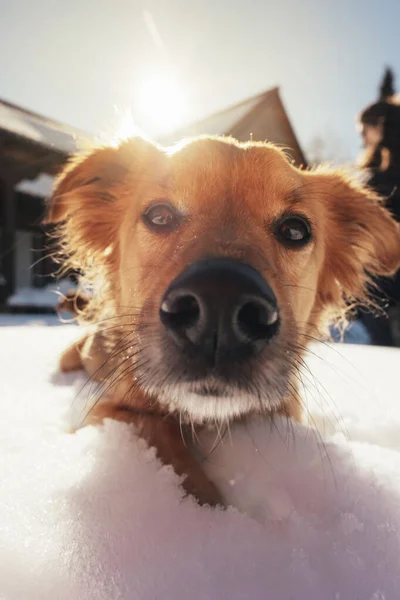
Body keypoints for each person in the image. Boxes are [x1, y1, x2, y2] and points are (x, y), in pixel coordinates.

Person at [357, 67, 400, 346]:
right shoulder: (376, 173)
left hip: (385, 293)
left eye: (364, 129)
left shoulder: (383, 178)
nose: (361, 136)